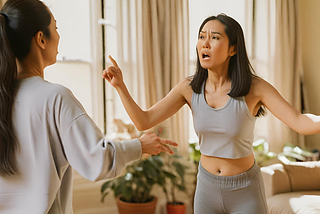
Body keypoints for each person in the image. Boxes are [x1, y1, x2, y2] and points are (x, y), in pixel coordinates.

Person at [103, 13, 320, 214]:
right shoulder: (188, 88)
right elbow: (144, 120)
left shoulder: (255, 88)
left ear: (233, 49)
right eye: (201, 36)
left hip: (245, 191)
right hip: (207, 190)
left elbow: (300, 121)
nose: (205, 43)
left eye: (214, 37)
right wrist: (120, 86)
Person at [0, 0, 177, 213]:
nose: (58, 35)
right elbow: (96, 160)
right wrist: (139, 145)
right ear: (41, 39)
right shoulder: (54, 98)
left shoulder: (7, 96)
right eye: (55, 28)